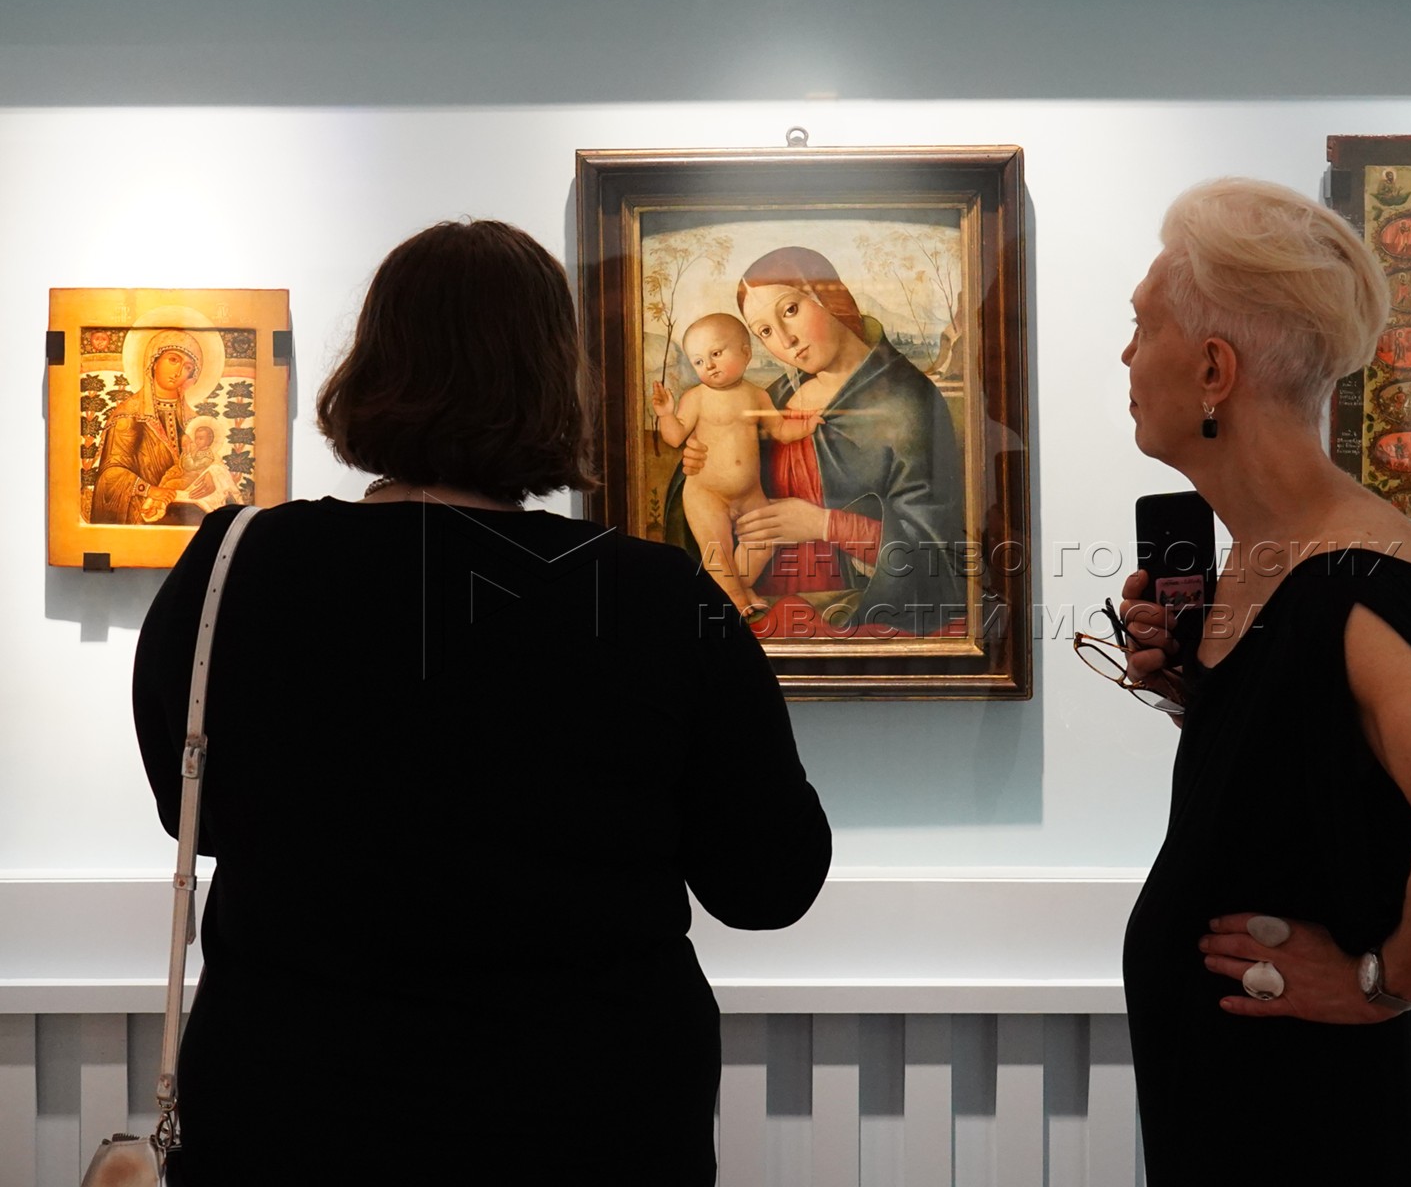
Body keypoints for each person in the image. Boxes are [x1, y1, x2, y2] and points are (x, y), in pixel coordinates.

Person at [132, 219, 831, 1185]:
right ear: (555, 382)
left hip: (296, 1107)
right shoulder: (653, 597)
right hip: (583, 1119)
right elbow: (768, 883)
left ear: (370, 367)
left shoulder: (239, 562)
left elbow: (193, 812)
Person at [1114, 178, 1411, 1183]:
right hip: (1234, 1092)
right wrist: (1200, 697)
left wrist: (1375, 986)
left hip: (1297, 1116)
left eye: (1141, 327)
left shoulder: (1350, 583)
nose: (1127, 357)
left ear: (1213, 369)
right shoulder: (1272, 556)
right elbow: (1315, 780)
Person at [668, 245, 967, 637]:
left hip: (853, 617)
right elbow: (712, 499)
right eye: (765, 332)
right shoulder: (775, 396)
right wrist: (698, 460)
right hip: (754, 615)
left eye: (791, 309)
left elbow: (936, 554)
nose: (786, 340)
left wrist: (824, 524)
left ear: (831, 297)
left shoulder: (908, 403)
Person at [653, 313, 823, 620]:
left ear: (746, 353)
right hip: (707, 494)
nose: (709, 366)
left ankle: (736, 590)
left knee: (764, 540)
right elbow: (675, 437)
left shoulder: (757, 395)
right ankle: (734, 596)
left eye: (716, 354)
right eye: (699, 361)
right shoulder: (696, 398)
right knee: (717, 551)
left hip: (750, 494)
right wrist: (666, 415)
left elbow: (780, 430)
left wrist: (807, 426)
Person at [91, 330, 204, 525]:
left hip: (187, 517)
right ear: (154, 361)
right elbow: (109, 477)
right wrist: (149, 490)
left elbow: (210, 461)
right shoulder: (129, 416)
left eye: (188, 367)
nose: (178, 372)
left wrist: (212, 478)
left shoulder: (195, 422)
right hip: (141, 516)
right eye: (173, 360)